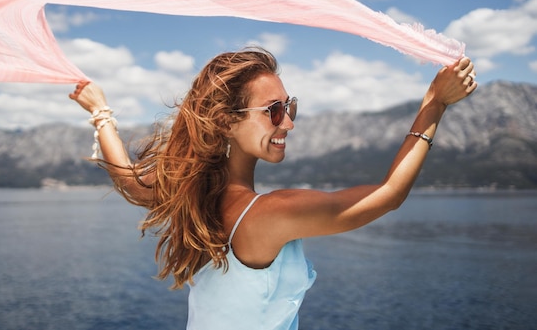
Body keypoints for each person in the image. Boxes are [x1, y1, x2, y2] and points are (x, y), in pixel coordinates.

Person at [69, 47, 477, 330]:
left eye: (290, 107)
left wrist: (101, 111)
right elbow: (389, 195)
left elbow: (126, 177)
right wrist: (435, 102)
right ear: (226, 122)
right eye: (274, 111)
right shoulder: (269, 214)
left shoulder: (189, 195)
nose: (289, 123)